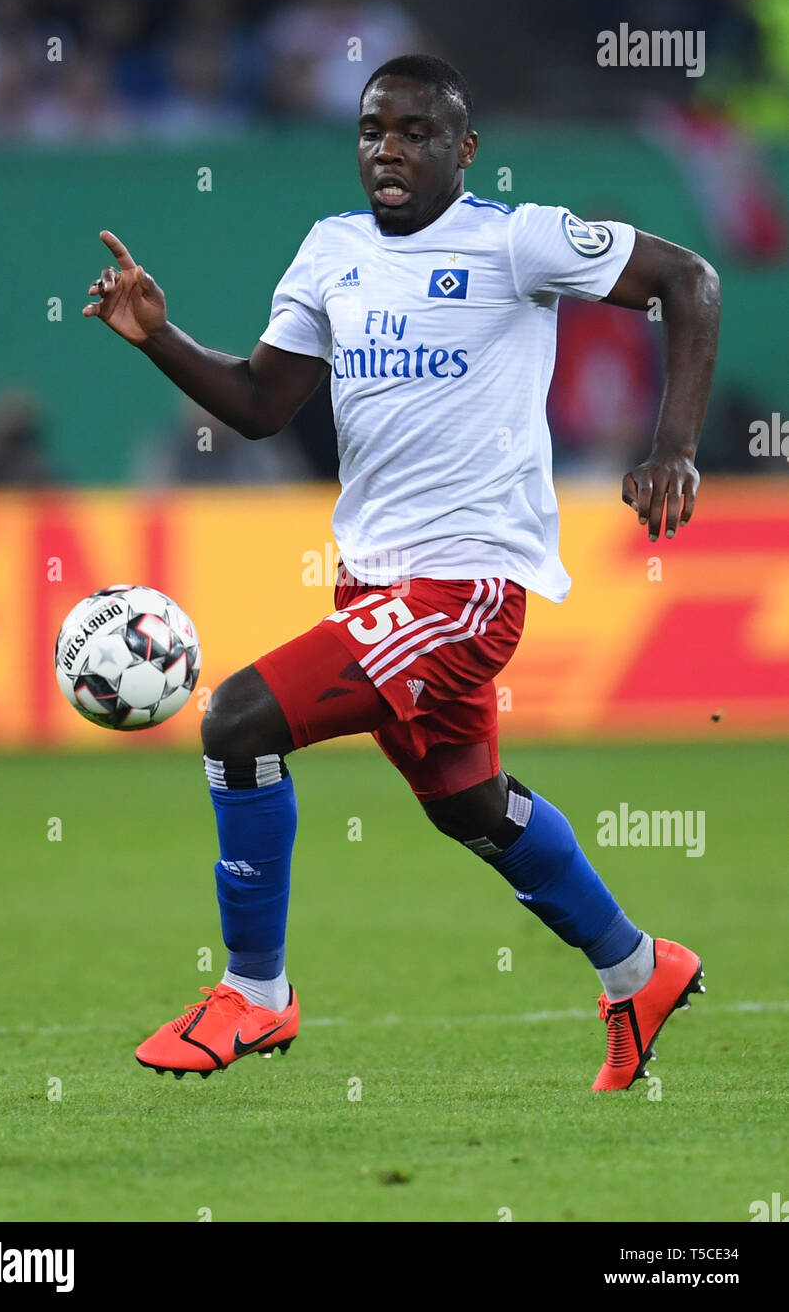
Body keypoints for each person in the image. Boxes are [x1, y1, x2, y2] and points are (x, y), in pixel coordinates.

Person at [83, 54, 720, 1092]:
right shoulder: (331, 252)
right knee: (468, 803)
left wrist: (675, 447)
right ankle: (638, 967)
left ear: (463, 151)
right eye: (374, 129)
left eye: (417, 132)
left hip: (463, 589)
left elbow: (688, 281)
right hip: (373, 585)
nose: (390, 149)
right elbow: (257, 405)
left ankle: (254, 992)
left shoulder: (516, 240)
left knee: (237, 720)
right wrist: (157, 337)